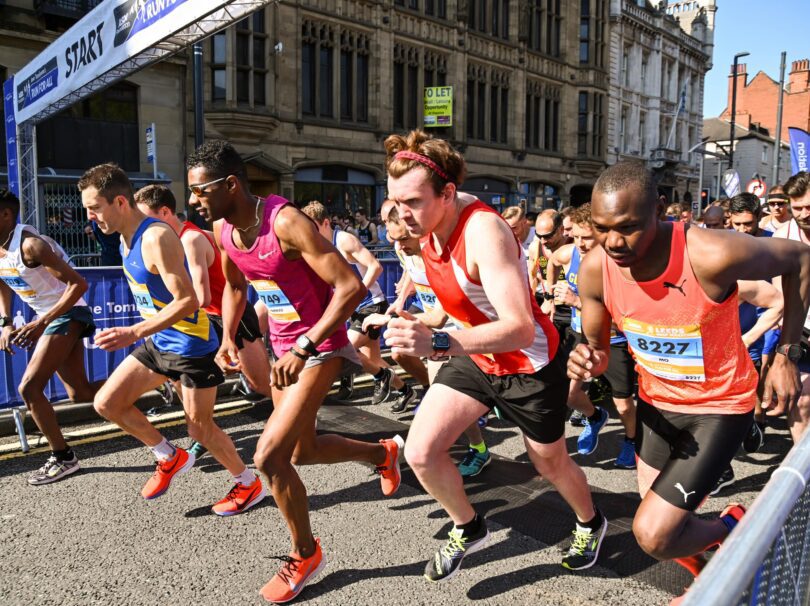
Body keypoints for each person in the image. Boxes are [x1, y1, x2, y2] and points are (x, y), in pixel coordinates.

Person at [567, 161, 810, 602]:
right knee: (666, 529)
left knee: (653, 534)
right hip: (658, 407)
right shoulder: (595, 268)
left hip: (719, 406)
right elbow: (600, 352)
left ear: (661, 209)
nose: (614, 242)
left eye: (628, 227)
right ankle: (717, 570)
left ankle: (731, 528)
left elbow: (802, 259)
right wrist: (587, 358)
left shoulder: (710, 252)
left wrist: (786, 356)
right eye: (602, 229)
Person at [185, 140, 404, 604]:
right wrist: (228, 336)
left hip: (319, 346)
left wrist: (305, 346)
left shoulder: (285, 222)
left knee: (268, 457)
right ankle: (382, 453)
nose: (193, 201)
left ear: (230, 184)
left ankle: (305, 553)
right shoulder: (225, 231)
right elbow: (237, 287)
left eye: (200, 191)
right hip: (286, 348)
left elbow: (347, 288)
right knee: (301, 452)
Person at [383, 130, 606, 582]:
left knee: (548, 462)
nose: (400, 215)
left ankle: (590, 522)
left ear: (447, 194)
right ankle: (470, 526)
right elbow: (457, 300)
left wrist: (440, 343)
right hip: (477, 355)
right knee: (422, 451)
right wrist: (423, 321)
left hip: (529, 363)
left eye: (411, 202)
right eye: (394, 202)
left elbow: (520, 326)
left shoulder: (484, 232)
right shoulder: (426, 223)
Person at [79, 164, 266, 516]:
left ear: (120, 201)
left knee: (201, 428)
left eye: (94, 208)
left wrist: (133, 332)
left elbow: (189, 301)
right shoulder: (123, 237)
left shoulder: (157, 237)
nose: (89, 217)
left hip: (190, 346)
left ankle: (247, 483)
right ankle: (168, 455)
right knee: (107, 403)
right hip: (158, 341)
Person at [134, 184, 273, 457]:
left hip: (224, 317)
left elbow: (201, 296)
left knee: (260, 383)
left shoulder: (188, 240)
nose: (141, 226)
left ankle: (300, 414)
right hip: (198, 320)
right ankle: (202, 432)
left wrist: (163, 317)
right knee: (182, 377)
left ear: (164, 212)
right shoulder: (170, 241)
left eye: (146, 218)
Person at [365, 199, 492, 477]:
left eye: (402, 239)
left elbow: (437, 316)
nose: (398, 247)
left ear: (419, 229)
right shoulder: (406, 250)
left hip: (469, 332)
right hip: (442, 335)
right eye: (393, 240)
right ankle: (477, 449)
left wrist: (389, 319)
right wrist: (399, 300)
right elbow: (412, 271)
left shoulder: (443, 254)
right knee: (440, 390)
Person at [0, 189, 102, 485]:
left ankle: (63, 457)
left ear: (6, 214)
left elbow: (78, 285)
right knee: (80, 393)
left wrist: (41, 322)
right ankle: (148, 381)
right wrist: (6, 322)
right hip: (50, 317)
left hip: (69, 314)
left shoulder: (31, 246)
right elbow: (4, 283)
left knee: (30, 388)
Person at [301, 201, 415, 409]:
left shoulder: (344, 240)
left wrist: (355, 293)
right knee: (375, 361)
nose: (311, 234)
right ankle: (405, 391)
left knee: (345, 349)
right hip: (353, 309)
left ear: (326, 223)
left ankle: (380, 378)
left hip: (371, 305)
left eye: (314, 229)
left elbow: (376, 266)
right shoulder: (318, 246)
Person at [547, 204, 637, 467]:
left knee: (623, 406)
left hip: (613, 340)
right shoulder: (569, 253)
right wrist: (549, 298)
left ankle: (631, 440)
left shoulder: (617, 264)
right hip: (580, 335)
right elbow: (550, 261)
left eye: (586, 238)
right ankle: (595, 416)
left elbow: (623, 314)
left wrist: (576, 301)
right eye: (574, 236)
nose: (580, 244)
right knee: (569, 394)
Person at [775, 171, 810, 442]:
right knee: (800, 403)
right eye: (797, 207)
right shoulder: (782, 237)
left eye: (809, 207)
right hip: (800, 335)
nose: (804, 213)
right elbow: (778, 293)